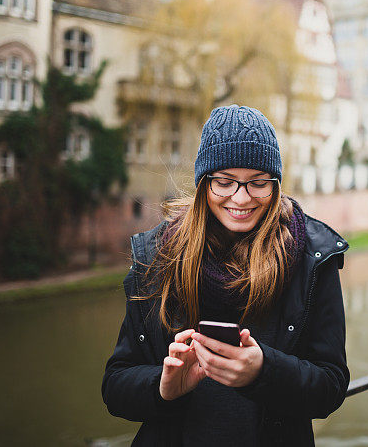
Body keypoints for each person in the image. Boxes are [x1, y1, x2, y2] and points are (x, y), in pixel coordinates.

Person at [102, 104, 351, 446]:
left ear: (275, 184)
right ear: (204, 184)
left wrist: (264, 371)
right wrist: (163, 386)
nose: (241, 198)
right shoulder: (158, 256)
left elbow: (331, 386)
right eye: (225, 182)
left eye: (258, 183)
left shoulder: (311, 258)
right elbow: (115, 385)